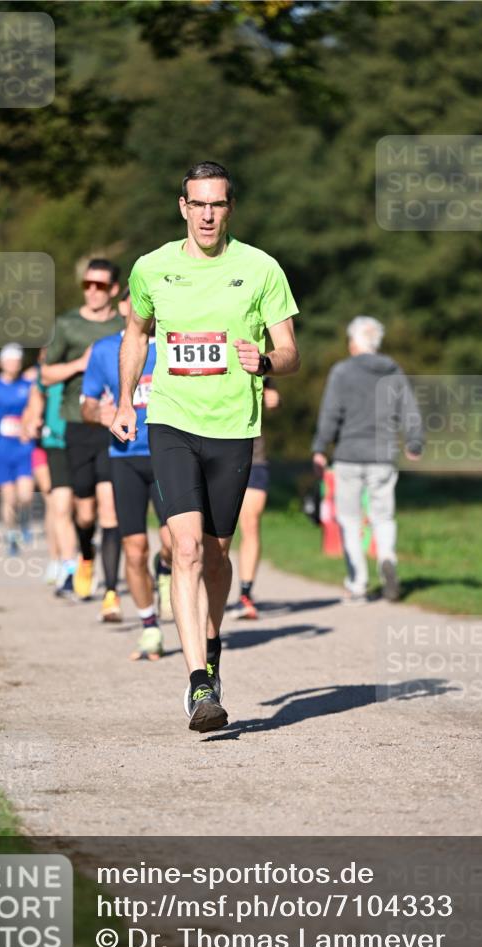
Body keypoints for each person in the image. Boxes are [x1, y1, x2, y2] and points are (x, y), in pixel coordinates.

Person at [111, 160, 300, 733]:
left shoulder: (261, 268)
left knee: (216, 554)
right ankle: (198, 684)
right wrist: (125, 401)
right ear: (183, 207)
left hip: (234, 428)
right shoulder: (151, 268)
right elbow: (136, 334)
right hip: (171, 420)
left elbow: (290, 352)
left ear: (229, 208)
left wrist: (264, 361)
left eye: (218, 204)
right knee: (186, 548)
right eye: (199, 204)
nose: (208, 215)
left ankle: (212, 652)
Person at [82, 289, 173, 649]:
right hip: (124, 457)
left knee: (173, 542)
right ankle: (149, 625)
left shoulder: (170, 344)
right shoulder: (105, 350)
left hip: (168, 454)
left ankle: (165, 568)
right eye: (135, 299)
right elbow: (87, 405)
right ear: (122, 306)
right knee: (134, 549)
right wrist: (98, 414)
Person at [311, 316, 424, 604]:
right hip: (382, 456)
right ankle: (386, 558)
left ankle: (358, 584)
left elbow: (331, 413)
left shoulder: (342, 372)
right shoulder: (393, 370)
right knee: (382, 516)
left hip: (348, 456)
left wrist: (320, 447)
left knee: (349, 520)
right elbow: (409, 409)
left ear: (353, 343)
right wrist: (414, 441)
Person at [41, 259, 123, 614]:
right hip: (77, 424)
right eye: (87, 284)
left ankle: (111, 591)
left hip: (113, 426)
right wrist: (79, 364)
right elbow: (45, 375)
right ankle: (86, 555)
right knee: (85, 513)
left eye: (99, 285)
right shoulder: (67, 324)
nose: (92, 291)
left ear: (113, 290)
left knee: (110, 507)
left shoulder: (124, 326)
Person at [22, 349, 78, 592]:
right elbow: (30, 413)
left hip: (75, 445)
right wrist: (31, 423)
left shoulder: (76, 374)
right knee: (55, 504)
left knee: (72, 508)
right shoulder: (41, 381)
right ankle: (60, 561)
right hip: (47, 447)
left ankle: (69, 557)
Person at [230, 378, 280, 620]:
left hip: (253, 455)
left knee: (250, 523)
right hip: (209, 453)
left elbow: (270, 387)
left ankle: (245, 595)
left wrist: (273, 398)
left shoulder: (252, 359)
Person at [0, 343, 36, 557]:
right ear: (1, 363)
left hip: (23, 447)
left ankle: (24, 522)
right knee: (9, 498)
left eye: (17, 360)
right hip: (1, 448)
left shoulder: (27, 385)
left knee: (26, 496)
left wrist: (29, 424)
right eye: (10, 360)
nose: (14, 364)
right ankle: (12, 536)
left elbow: (35, 406)